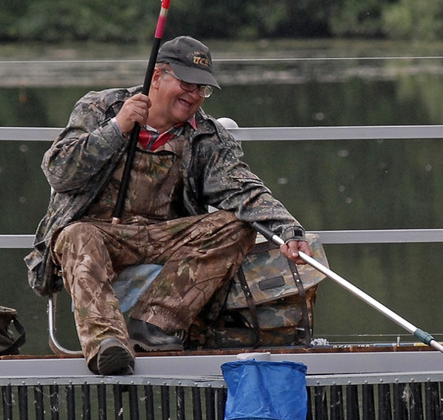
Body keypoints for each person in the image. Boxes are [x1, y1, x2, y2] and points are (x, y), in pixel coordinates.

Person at [25, 36, 312, 376]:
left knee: (236, 225)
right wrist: (117, 130)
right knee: (75, 236)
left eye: (202, 89)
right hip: (97, 233)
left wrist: (288, 230)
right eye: (187, 84)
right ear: (157, 77)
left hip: (163, 236)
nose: (193, 96)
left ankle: (154, 323)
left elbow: (243, 188)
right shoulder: (100, 107)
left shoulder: (206, 134)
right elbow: (59, 173)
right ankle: (107, 344)